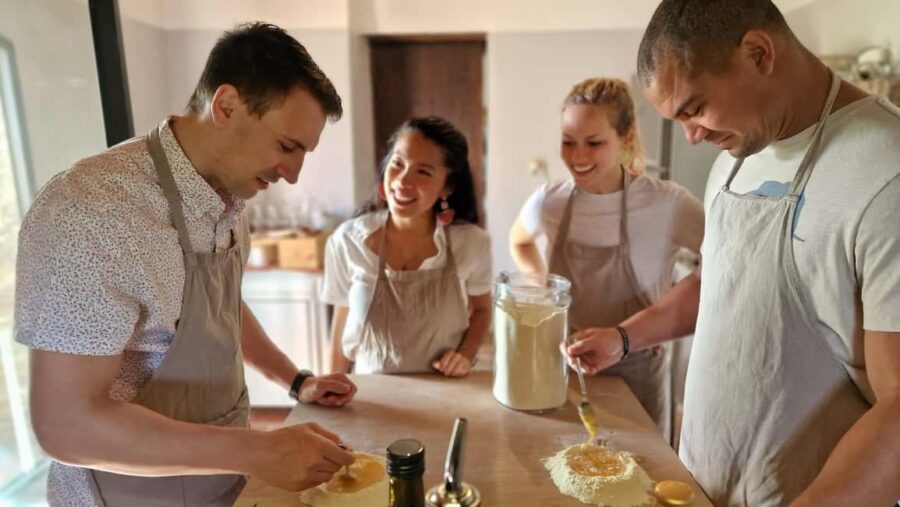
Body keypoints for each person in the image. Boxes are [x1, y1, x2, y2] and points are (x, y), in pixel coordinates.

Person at [566, 1, 900, 505]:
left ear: (758, 53)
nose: (692, 136)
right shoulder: (736, 157)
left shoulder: (884, 169)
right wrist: (624, 338)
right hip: (702, 484)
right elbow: (717, 281)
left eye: (694, 108)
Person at [15, 23, 359, 507]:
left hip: (221, 483)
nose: (293, 173)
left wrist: (296, 380)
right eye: (287, 146)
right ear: (226, 106)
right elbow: (67, 426)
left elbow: (220, 311)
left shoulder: (230, 199)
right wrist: (257, 450)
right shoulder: (92, 209)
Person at [509, 77, 704, 441]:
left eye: (594, 143)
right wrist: (544, 287)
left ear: (626, 138)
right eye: (568, 142)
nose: (577, 157)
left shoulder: (668, 204)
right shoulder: (549, 202)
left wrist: (658, 322)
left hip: (638, 375)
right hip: (566, 366)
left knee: (642, 466)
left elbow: (723, 266)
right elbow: (519, 241)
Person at [323, 116, 492, 376]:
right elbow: (340, 323)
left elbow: (481, 310)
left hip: (444, 390)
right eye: (398, 163)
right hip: (370, 392)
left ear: (447, 187)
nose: (402, 181)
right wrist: (329, 386)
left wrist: (465, 356)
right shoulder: (348, 240)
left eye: (423, 172)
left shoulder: (471, 243)